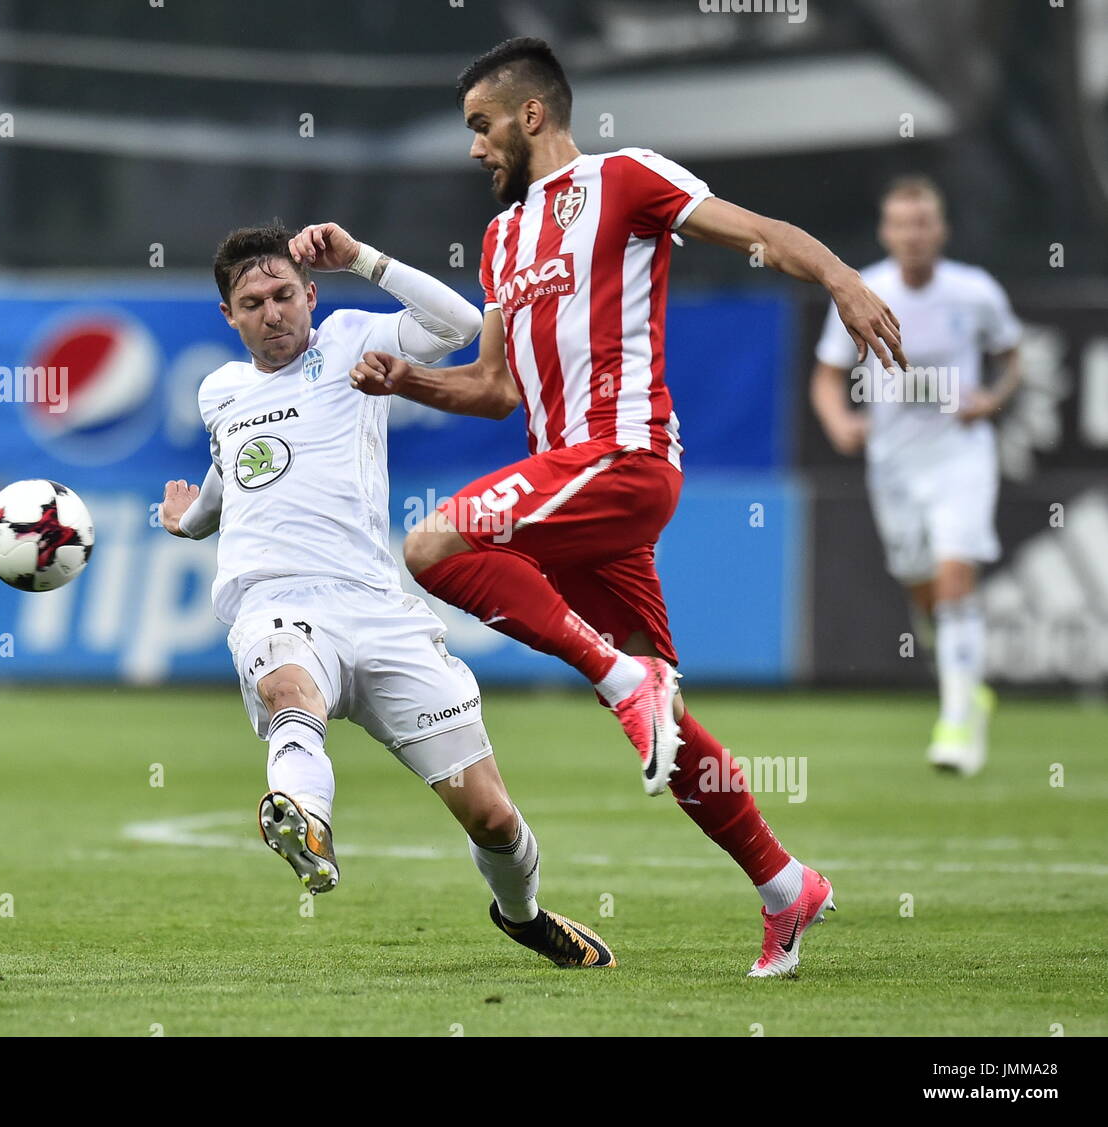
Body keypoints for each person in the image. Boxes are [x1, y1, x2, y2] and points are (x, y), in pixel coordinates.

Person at [348, 38, 904, 976]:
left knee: (434, 543)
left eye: (481, 126)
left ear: (532, 115)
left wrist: (846, 280)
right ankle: (784, 885)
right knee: (669, 725)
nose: (475, 147)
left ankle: (616, 676)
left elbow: (759, 230)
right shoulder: (501, 239)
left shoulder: (628, 179)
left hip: (624, 456)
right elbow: (492, 387)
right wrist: (408, 378)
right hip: (567, 488)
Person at [160, 220, 616, 969]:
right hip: (274, 599)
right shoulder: (221, 391)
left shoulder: (347, 342)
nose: (272, 312)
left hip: (375, 605)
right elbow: (229, 477)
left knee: (493, 817)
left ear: (309, 294)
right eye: (252, 302)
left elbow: (462, 324)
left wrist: (363, 260)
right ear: (229, 316)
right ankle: (305, 819)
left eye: (283, 294)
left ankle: (524, 914)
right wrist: (191, 520)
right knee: (288, 690)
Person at [811, 175, 1023, 775]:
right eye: (901, 224)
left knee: (957, 573)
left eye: (923, 222)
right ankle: (964, 681)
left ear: (941, 229)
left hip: (960, 453)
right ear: (886, 232)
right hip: (894, 464)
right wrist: (838, 422)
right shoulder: (864, 290)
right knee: (921, 585)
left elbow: (1012, 356)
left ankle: (957, 720)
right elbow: (827, 375)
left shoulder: (974, 292)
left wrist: (993, 398)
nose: (913, 234)